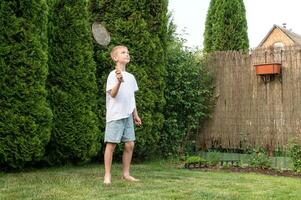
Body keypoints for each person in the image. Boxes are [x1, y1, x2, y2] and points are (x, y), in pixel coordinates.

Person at [103, 45, 142, 186]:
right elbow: (112, 94)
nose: (127, 54)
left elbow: (131, 98)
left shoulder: (131, 77)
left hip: (127, 115)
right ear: (115, 58)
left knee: (130, 145)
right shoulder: (112, 75)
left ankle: (126, 174)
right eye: (123, 52)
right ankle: (107, 175)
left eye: (128, 52)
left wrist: (135, 115)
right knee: (111, 145)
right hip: (115, 115)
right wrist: (119, 82)